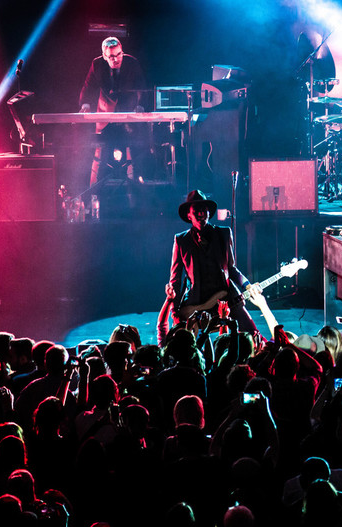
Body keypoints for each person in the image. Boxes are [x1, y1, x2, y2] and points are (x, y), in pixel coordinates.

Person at [165, 190, 268, 339]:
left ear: (208, 212)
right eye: (196, 210)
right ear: (189, 215)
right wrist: (174, 310)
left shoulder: (224, 234)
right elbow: (175, 279)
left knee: (253, 334)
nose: (201, 213)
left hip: (225, 297)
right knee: (186, 344)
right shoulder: (181, 240)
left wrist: (247, 285)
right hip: (196, 302)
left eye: (204, 209)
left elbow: (232, 269)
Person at [79, 37, 146, 186]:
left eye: (119, 54)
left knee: (131, 153)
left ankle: (134, 190)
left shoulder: (132, 63)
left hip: (127, 110)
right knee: (99, 153)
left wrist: (140, 105)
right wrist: (85, 104)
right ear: (104, 56)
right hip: (105, 112)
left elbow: (141, 85)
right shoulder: (97, 64)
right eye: (112, 56)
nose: (116, 59)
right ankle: (95, 190)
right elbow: (88, 86)